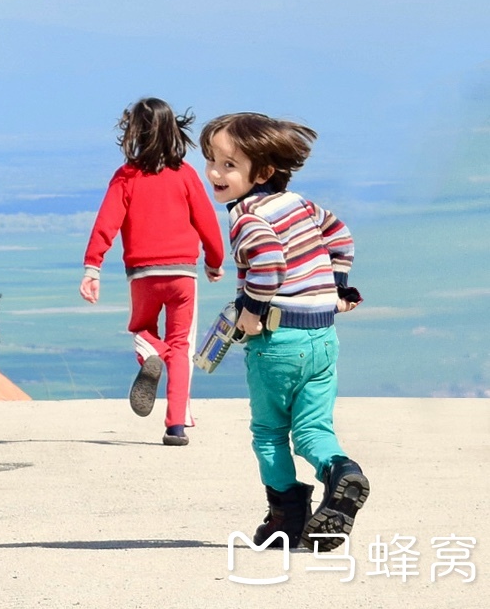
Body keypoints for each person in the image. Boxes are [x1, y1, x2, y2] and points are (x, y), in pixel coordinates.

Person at [199, 112, 368, 552]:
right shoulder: (300, 205)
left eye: (229, 165)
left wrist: (252, 311)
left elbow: (269, 261)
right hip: (323, 337)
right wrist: (339, 285)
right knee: (313, 426)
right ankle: (341, 471)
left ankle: (286, 517)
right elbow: (340, 233)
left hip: (277, 343)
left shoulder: (246, 216)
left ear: (264, 172)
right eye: (212, 160)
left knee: (270, 433)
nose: (215, 173)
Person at [80, 97, 226, 446]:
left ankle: (150, 353)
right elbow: (207, 223)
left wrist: (92, 267)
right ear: (173, 131)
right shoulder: (187, 175)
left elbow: (106, 223)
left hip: (143, 275)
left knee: (145, 330)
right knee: (181, 347)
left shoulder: (125, 177)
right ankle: (175, 426)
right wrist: (214, 262)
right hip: (182, 276)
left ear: (133, 132)